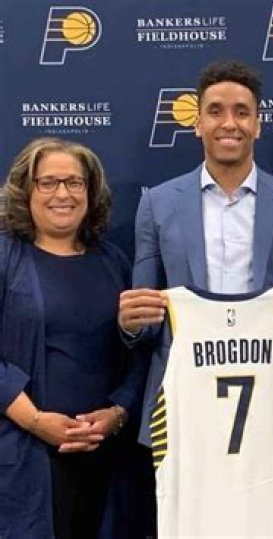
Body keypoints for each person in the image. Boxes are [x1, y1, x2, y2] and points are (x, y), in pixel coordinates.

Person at [117, 59, 273, 444]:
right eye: (215, 111)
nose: (229, 123)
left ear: (258, 124)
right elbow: (146, 322)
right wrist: (130, 322)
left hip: (269, 390)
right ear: (197, 123)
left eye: (242, 112)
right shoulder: (157, 203)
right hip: (183, 391)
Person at [0, 138, 149, 538]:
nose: (62, 194)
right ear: (26, 190)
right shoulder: (5, 257)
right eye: (48, 182)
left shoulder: (114, 262)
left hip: (106, 458)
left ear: (90, 191)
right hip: (24, 456)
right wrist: (35, 421)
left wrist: (118, 413)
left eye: (74, 182)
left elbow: (139, 352)